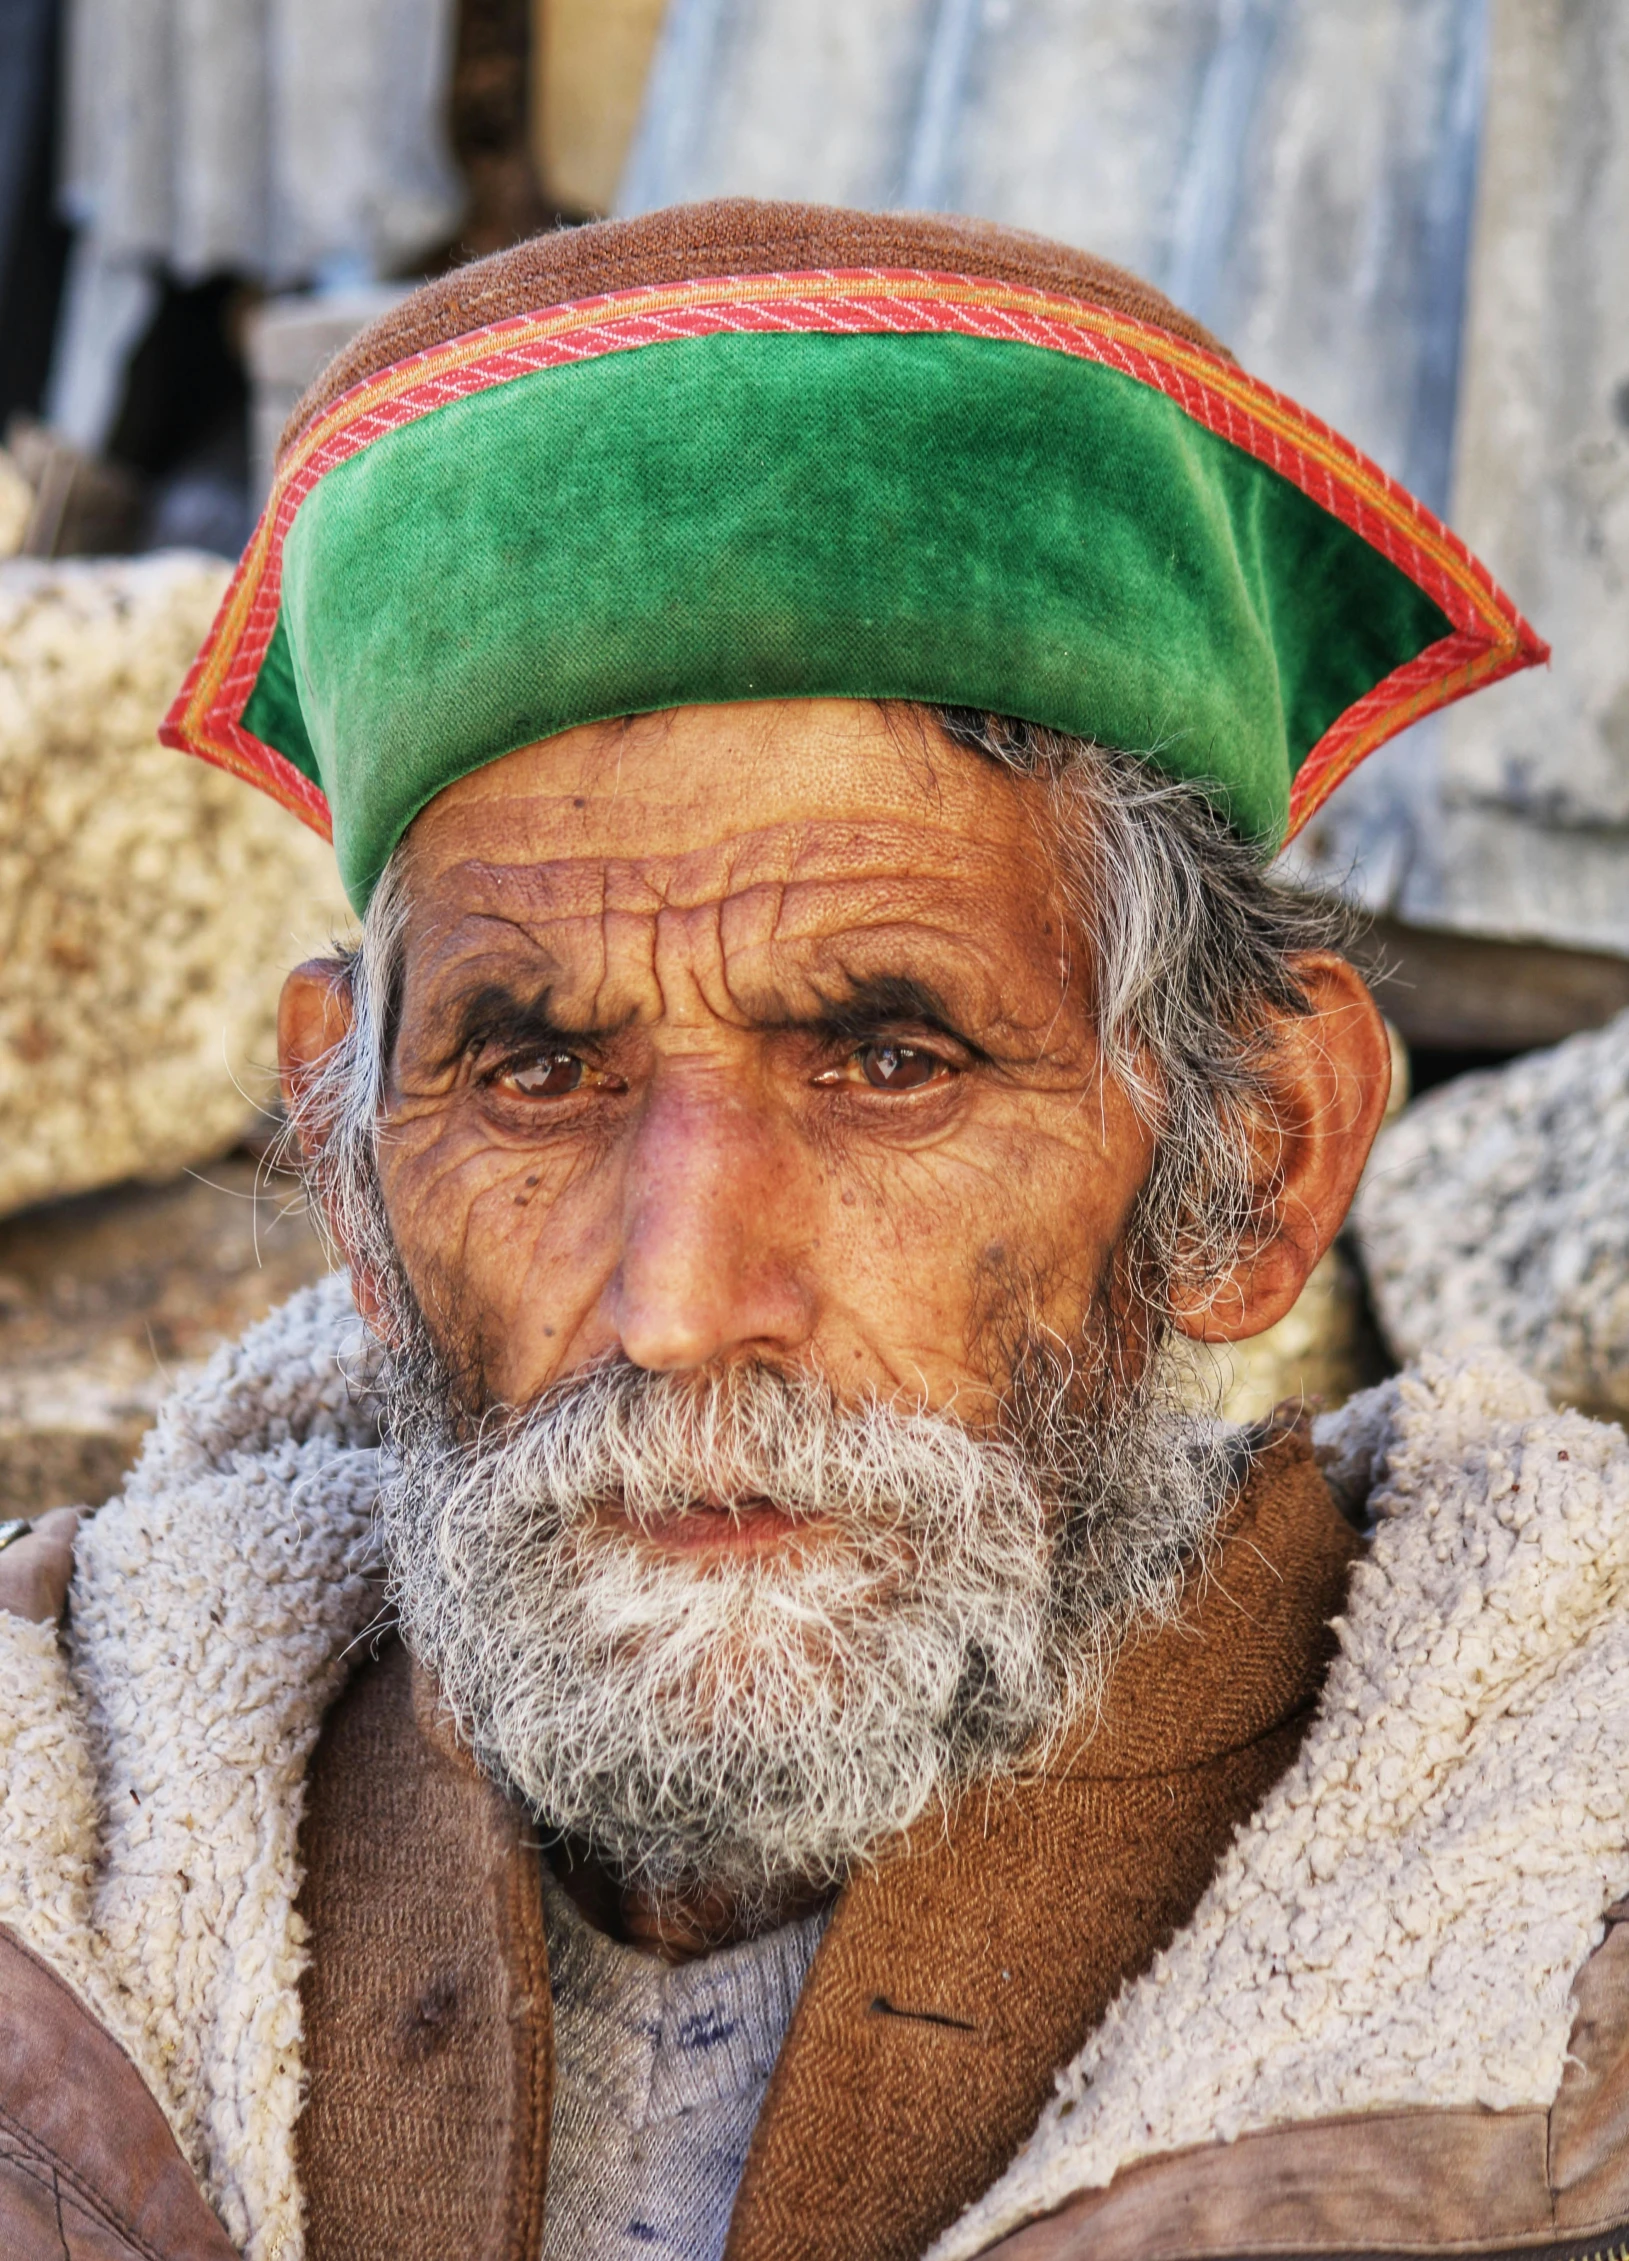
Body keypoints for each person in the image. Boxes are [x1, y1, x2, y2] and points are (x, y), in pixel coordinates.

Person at [3, 201, 1620, 2261]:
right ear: (347, 1158)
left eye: (887, 1061)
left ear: (1253, 1156)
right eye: (532, 1072)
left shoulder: (1566, 1932)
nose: (679, 1306)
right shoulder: (55, 1860)